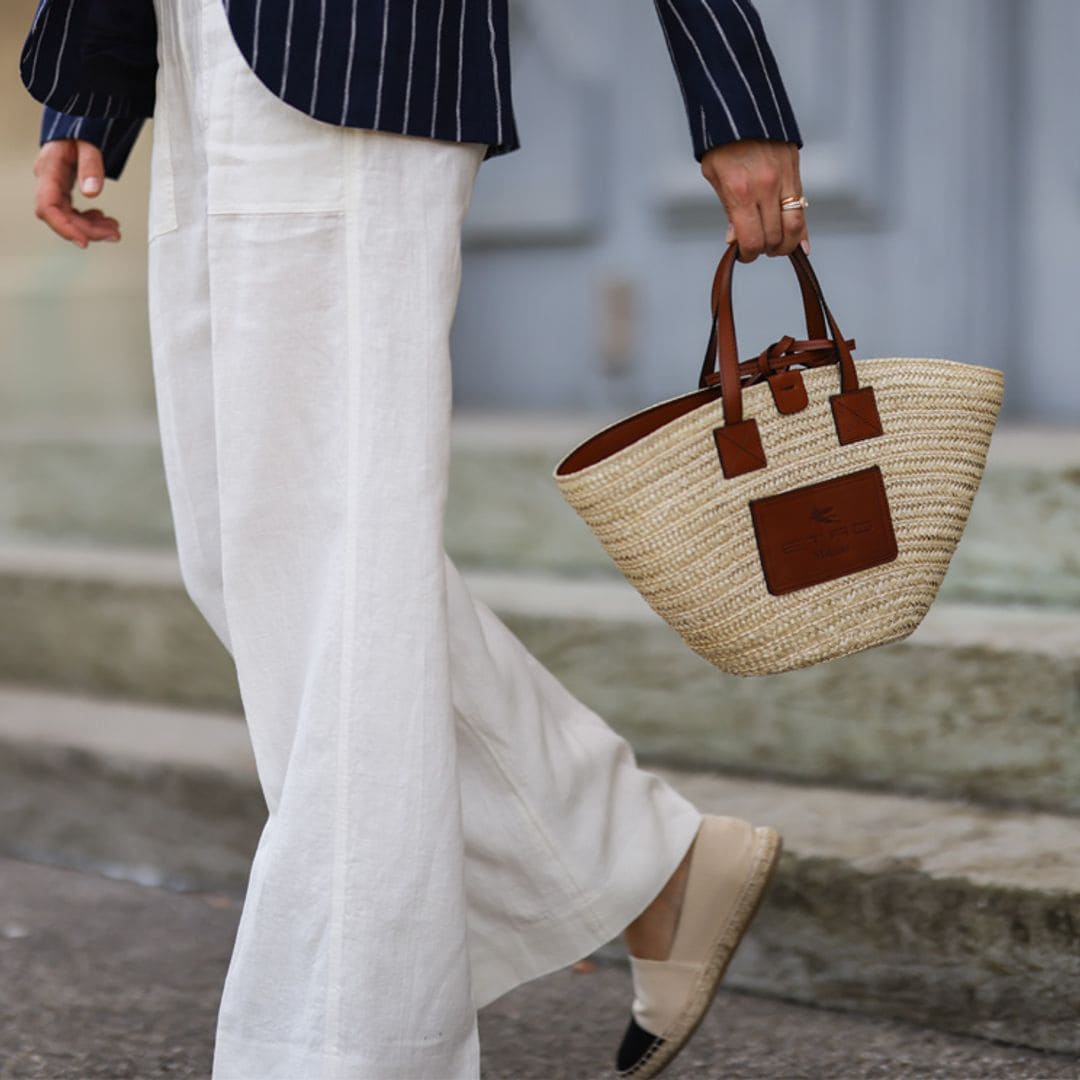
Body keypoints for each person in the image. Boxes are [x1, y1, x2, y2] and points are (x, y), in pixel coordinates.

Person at [20, 1, 809, 1076]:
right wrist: (94, 78)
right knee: (248, 556)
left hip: (360, 46)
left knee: (343, 564)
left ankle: (350, 1050)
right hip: (200, 47)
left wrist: (735, 91)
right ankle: (648, 862)